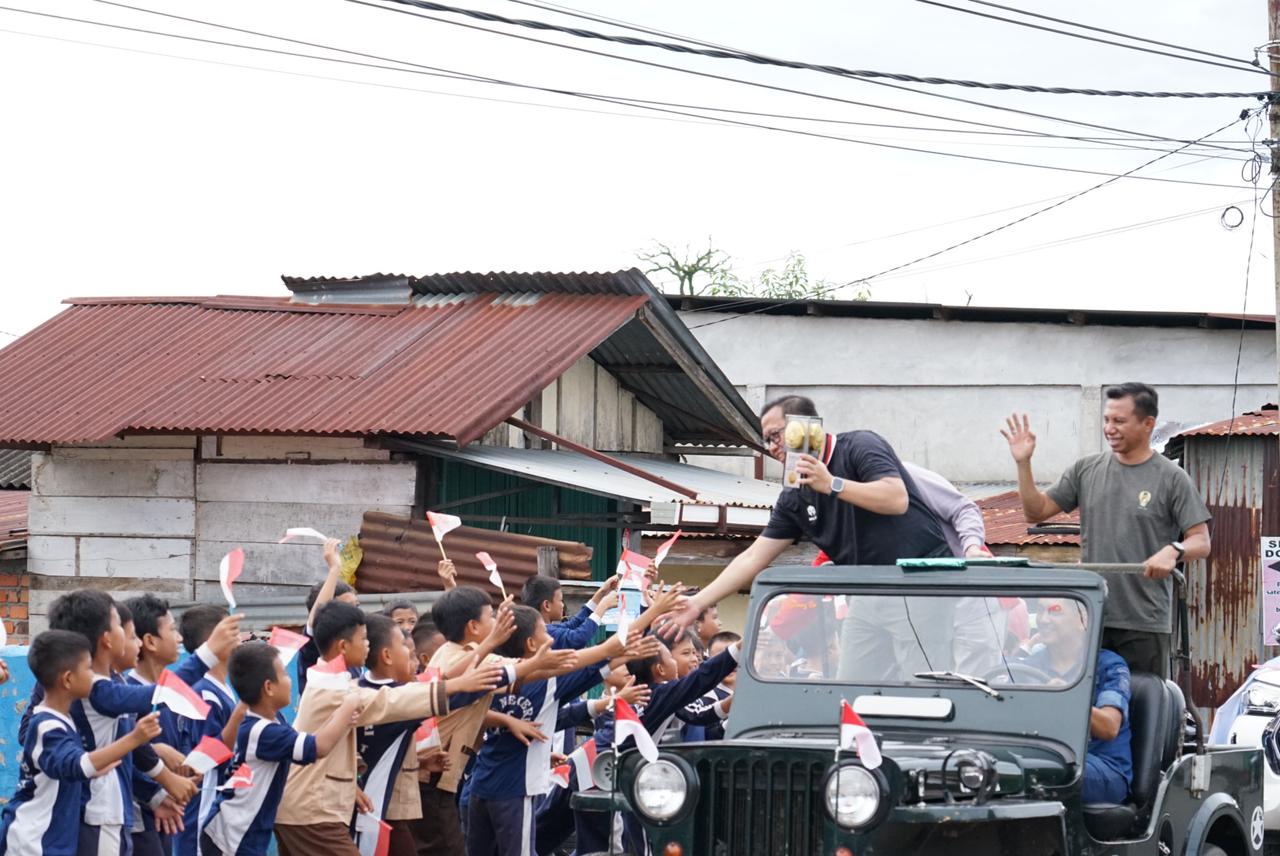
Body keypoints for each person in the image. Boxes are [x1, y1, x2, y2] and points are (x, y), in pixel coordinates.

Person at [667, 395, 951, 642]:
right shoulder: (794, 495)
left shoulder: (859, 445)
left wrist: (832, 485)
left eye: (776, 435)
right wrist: (698, 602)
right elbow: (753, 557)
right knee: (852, 683)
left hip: (917, 586)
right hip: (866, 595)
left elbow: (895, 499)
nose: (771, 447)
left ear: (806, 428)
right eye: (766, 441)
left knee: (918, 686)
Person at [1002, 382, 1212, 676]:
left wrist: (1174, 550)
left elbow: (1201, 541)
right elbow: (1035, 512)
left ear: (1148, 423)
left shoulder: (1171, 478)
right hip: (1090, 617)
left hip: (1144, 622)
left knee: (1141, 710)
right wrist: (1024, 464)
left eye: (1119, 421)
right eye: (1106, 420)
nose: (1110, 428)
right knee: (1089, 712)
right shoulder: (1086, 470)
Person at [274, 601, 505, 856]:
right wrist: (457, 685)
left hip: (310, 807)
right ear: (343, 646)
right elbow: (390, 700)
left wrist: (352, 784)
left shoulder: (336, 680)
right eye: (363, 639)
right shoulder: (332, 688)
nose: (368, 645)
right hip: (310, 811)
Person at [0, 630, 162, 856]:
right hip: (30, 842)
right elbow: (77, 764)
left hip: (51, 839)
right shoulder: (46, 726)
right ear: (67, 679)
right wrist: (134, 739)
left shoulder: (66, 721)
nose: (94, 677)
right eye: (88, 669)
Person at [201, 643, 362, 856]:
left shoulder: (273, 721)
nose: (289, 680)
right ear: (269, 687)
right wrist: (349, 704)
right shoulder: (262, 731)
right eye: (285, 675)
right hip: (231, 836)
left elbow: (308, 741)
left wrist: (341, 720)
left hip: (245, 830)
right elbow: (319, 747)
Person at [1021, 598, 1132, 803]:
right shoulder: (1030, 665)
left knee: (1038, 771)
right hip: (1041, 757)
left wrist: (1067, 696)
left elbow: (1109, 727)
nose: (1043, 619)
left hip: (1102, 767)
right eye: (1040, 610)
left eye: (1055, 611)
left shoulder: (1109, 665)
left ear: (1084, 620)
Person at [175, 605, 243, 856]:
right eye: (233, 632)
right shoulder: (204, 691)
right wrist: (242, 713)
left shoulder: (221, 687)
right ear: (211, 641)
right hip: (202, 804)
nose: (240, 638)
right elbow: (205, 756)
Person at [295, 538, 361, 693]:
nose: (355, 613)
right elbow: (317, 618)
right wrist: (334, 569)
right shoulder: (316, 647)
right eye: (346, 607)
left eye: (356, 606)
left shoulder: (355, 651)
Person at [521, 575, 618, 649]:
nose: (563, 605)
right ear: (547, 605)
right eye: (560, 600)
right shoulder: (544, 633)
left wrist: (602, 593)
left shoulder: (546, 628)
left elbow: (574, 623)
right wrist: (603, 606)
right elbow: (578, 638)